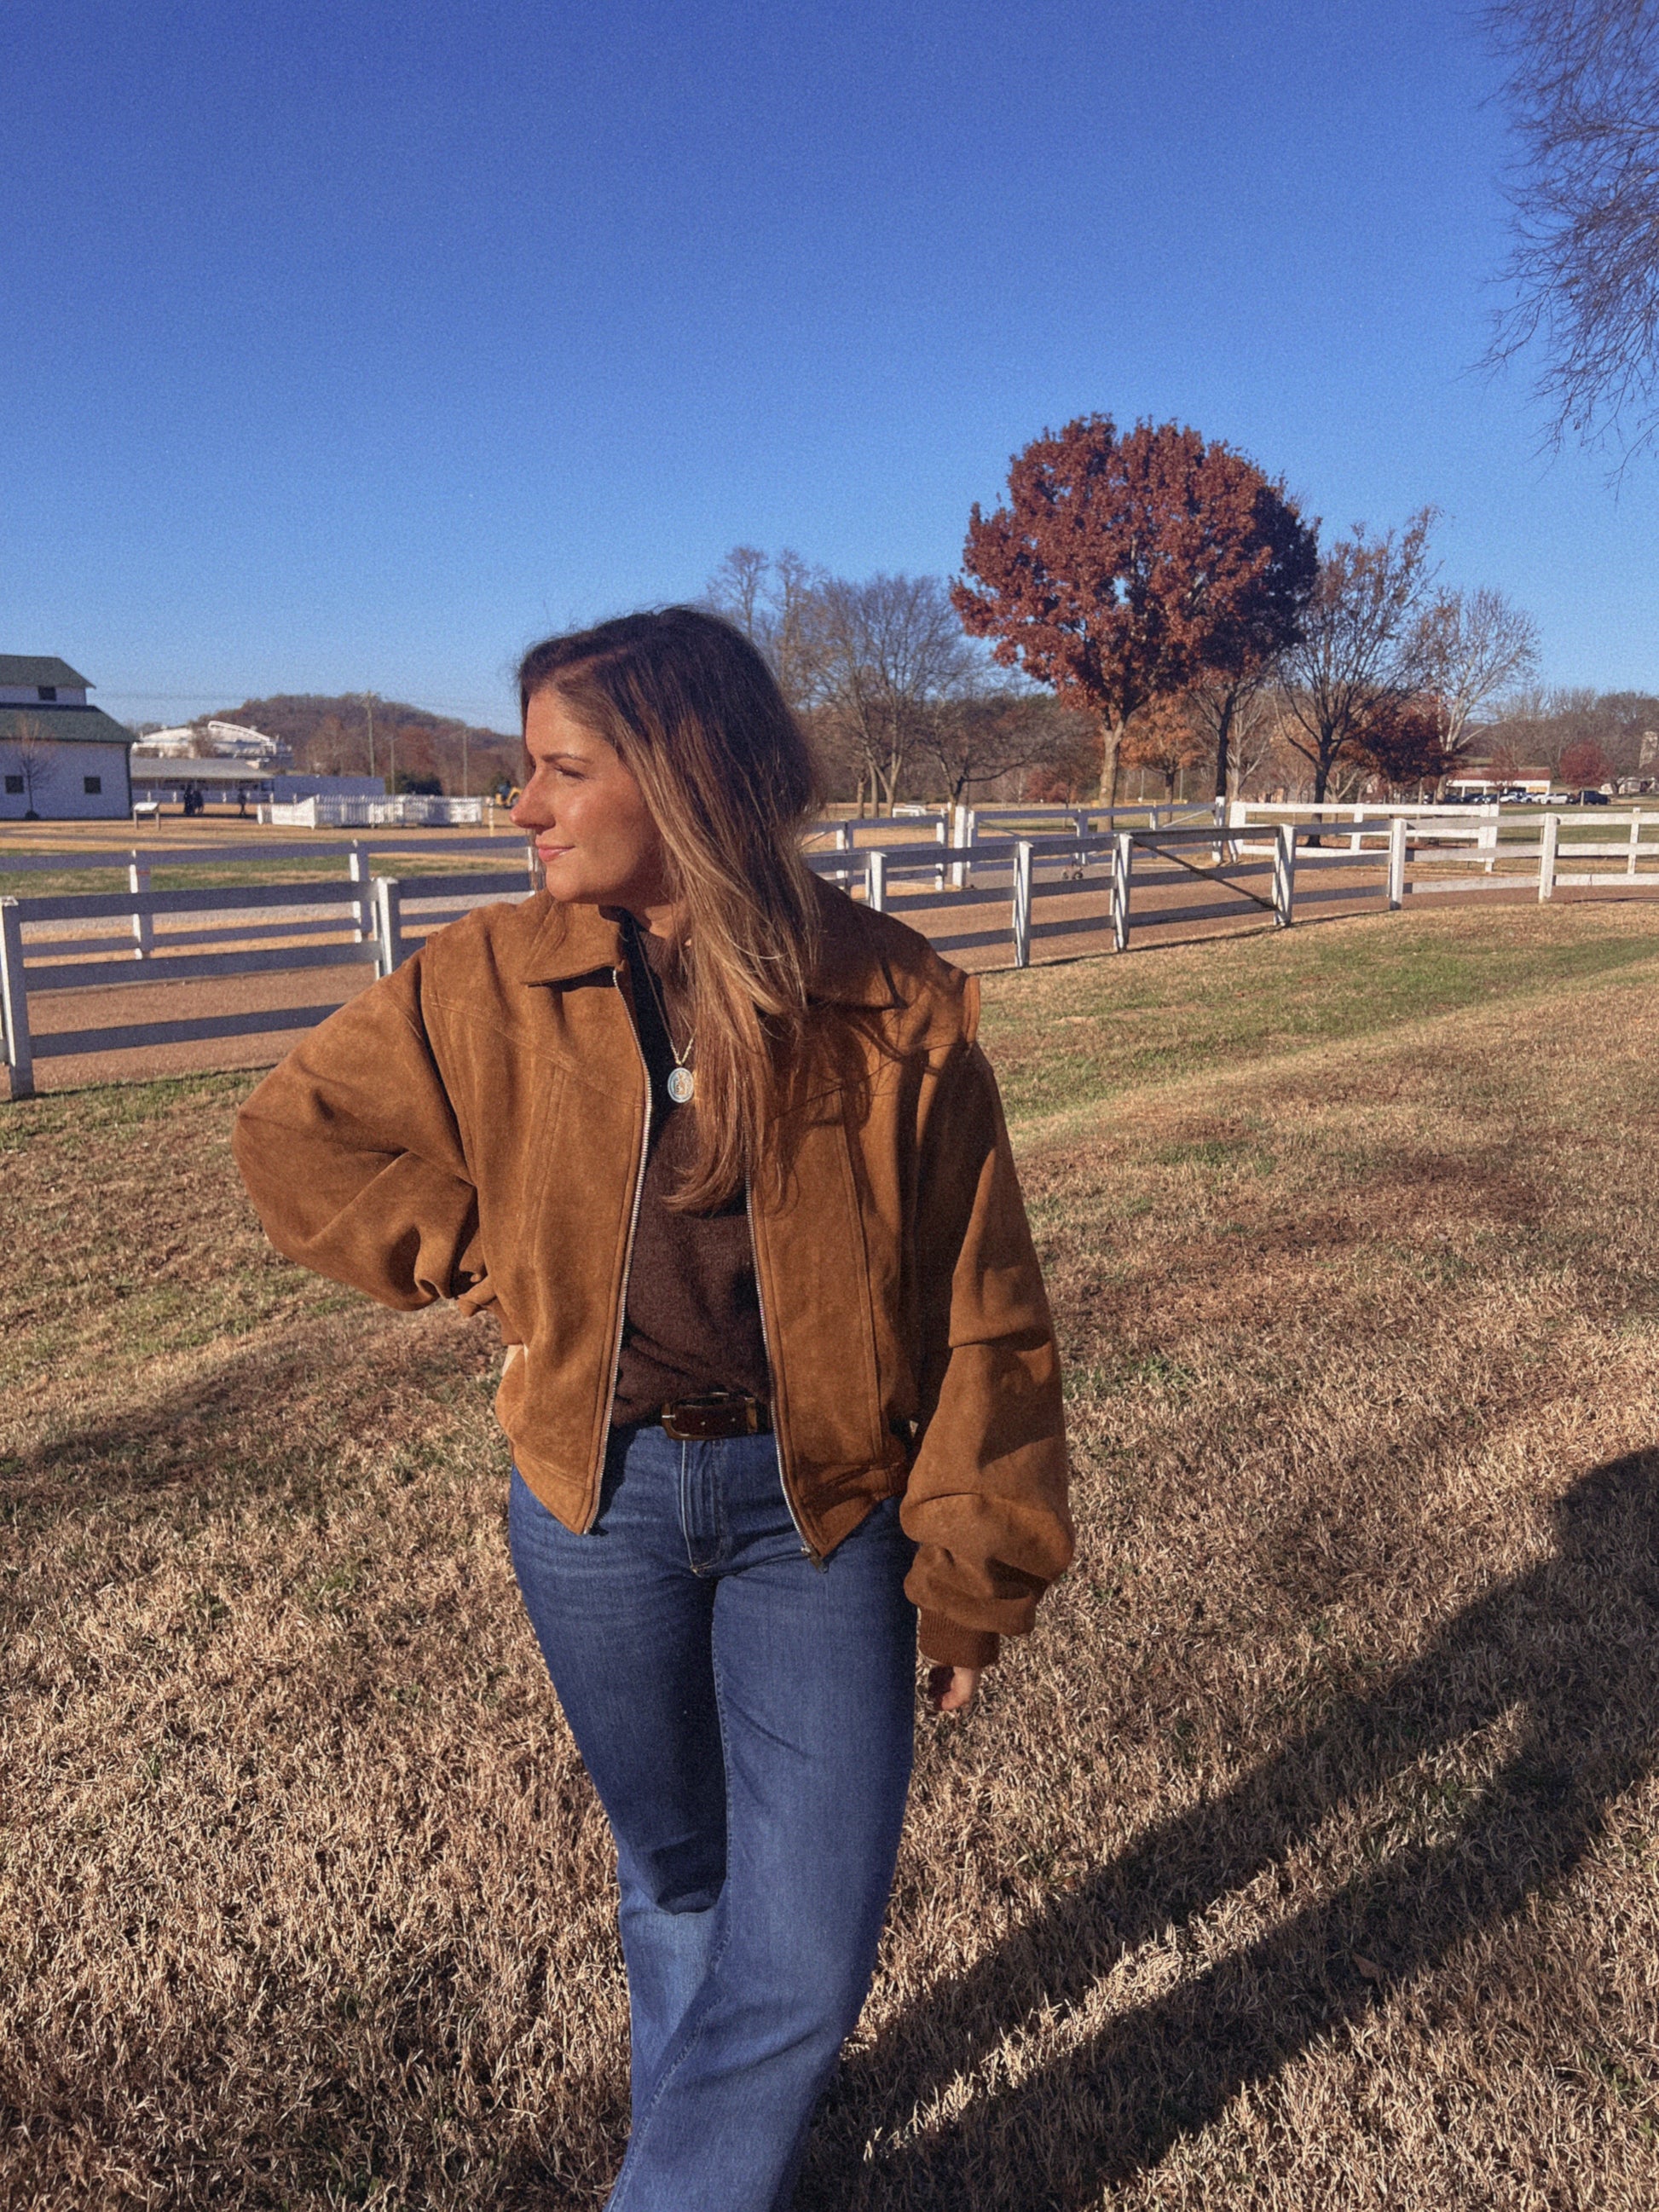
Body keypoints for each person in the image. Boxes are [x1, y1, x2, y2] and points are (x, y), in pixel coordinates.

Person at [231, 608, 1072, 2211]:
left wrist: (977, 1566)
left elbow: (983, 1313)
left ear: (684, 776)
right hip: (593, 1508)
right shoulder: (487, 977)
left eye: (561, 771)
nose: (522, 808)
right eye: (526, 772)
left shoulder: (891, 1001)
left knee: (804, 1948)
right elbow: (294, 1135)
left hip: (823, 1514)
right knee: (678, 1874)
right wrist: (485, 1258)